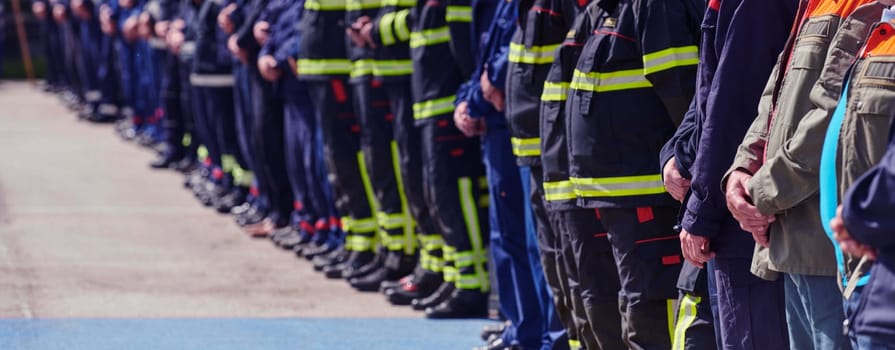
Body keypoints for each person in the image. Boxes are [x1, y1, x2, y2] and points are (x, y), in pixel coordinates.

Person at [725, 1, 883, 348]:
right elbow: (777, 95)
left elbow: (831, 118)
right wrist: (744, 165)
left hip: (826, 250)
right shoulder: (812, 4)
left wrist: (761, 193)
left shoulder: (868, 7)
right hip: (790, 238)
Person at [539, 2, 627, 348]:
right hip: (568, 175)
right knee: (580, 291)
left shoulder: (628, 12)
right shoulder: (591, 15)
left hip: (608, 185)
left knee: (610, 299)